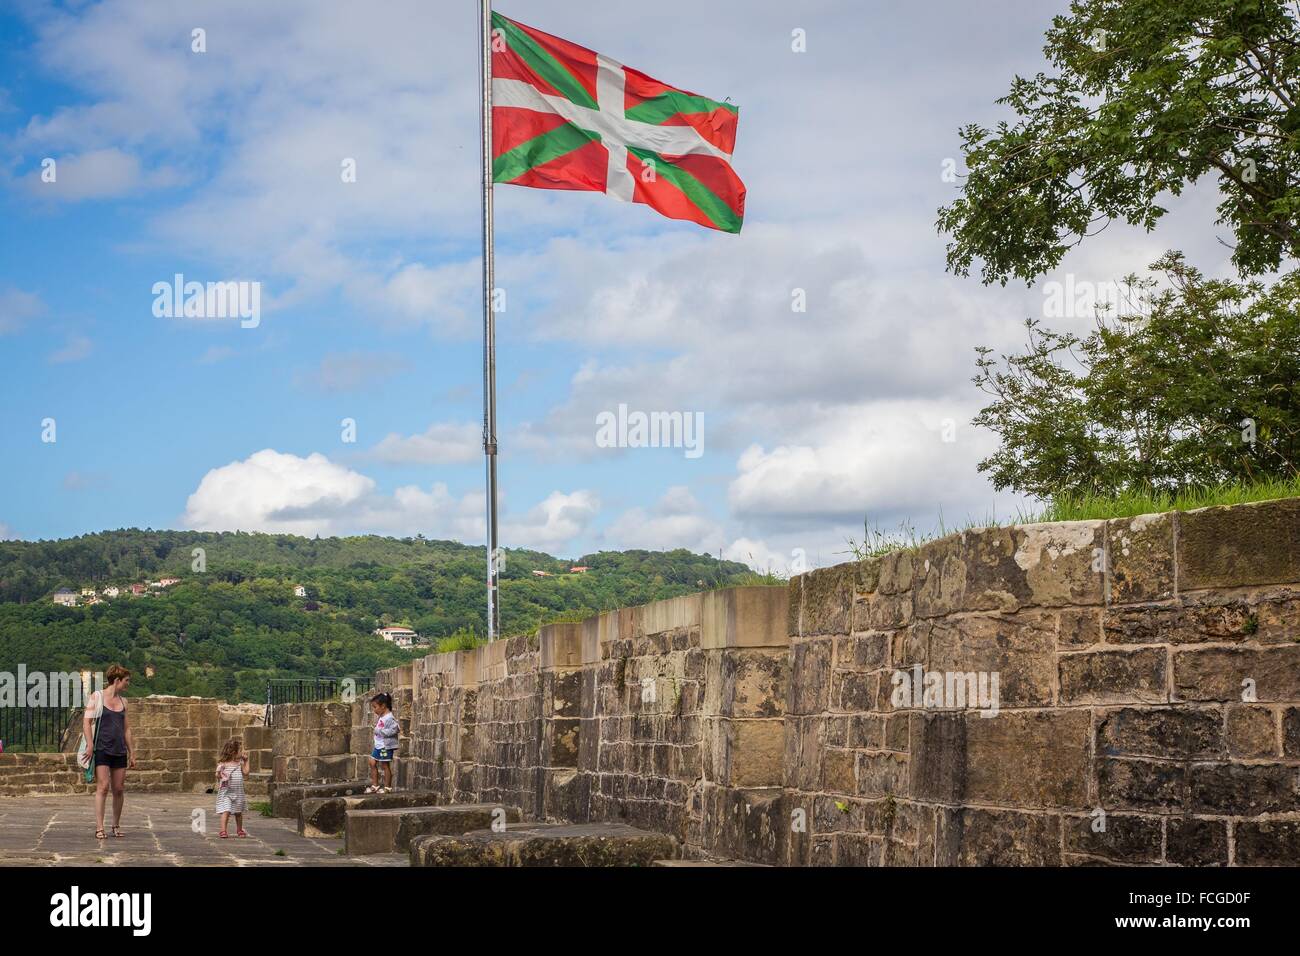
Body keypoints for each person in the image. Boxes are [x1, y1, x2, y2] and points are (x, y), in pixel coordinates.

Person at [83, 664, 135, 841]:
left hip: (119, 750)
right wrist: (90, 745)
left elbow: (127, 729)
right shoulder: (96, 697)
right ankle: (99, 827)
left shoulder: (124, 702)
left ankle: (116, 825)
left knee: (119, 789)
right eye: (126, 680)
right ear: (117, 680)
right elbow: (86, 722)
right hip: (102, 748)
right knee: (103, 787)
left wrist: (132, 752)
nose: (128, 684)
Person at [214, 737, 249, 838]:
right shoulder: (223, 764)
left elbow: (246, 773)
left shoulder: (240, 763)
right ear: (233, 752)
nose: (242, 752)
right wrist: (220, 774)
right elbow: (217, 775)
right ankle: (223, 830)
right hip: (227, 792)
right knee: (226, 810)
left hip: (238, 792)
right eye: (240, 750)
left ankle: (239, 829)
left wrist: (246, 761)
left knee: (238, 812)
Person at [366, 693, 399, 794]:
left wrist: (379, 731)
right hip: (379, 746)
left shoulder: (389, 718)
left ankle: (387, 787)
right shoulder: (382, 716)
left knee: (385, 765)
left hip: (385, 747)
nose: (374, 710)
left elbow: (395, 729)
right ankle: (375, 785)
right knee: (372, 762)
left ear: (383, 706)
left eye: (375, 707)